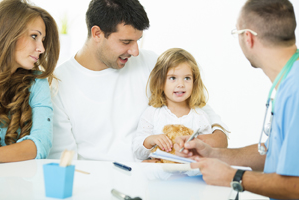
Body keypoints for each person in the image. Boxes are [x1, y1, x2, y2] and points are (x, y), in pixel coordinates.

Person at [48, 0, 228, 162]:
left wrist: (217, 134)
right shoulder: (59, 84)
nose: (135, 51)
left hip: (156, 180)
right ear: (97, 33)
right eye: (126, 42)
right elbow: (64, 161)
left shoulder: (150, 63)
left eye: (138, 41)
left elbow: (199, 108)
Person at [175, 0, 299, 199]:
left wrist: (233, 176)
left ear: (248, 37)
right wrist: (213, 154)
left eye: (237, 33)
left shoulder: (295, 90)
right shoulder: (289, 81)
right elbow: (274, 153)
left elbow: (296, 186)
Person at [133, 48, 229, 160]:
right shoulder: (152, 113)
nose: (181, 84)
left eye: (187, 78)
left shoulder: (200, 116)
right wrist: (151, 140)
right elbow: (137, 152)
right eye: (173, 78)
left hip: (189, 174)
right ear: (160, 82)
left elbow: (207, 153)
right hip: (159, 174)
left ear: (194, 82)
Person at [0, 0, 59, 162]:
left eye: (42, 39)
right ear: (9, 32)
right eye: (34, 36)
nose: (42, 48)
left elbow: (41, 143)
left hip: (16, 182)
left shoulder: (36, 83)